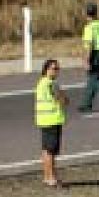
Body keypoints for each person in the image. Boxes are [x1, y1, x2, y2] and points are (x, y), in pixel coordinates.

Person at [34, 58, 69, 189]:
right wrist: (65, 98)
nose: (57, 71)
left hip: (44, 120)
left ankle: (47, 176)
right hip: (52, 120)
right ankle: (51, 178)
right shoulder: (51, 84)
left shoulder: (41, 83)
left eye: (58, 69)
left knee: (46, 151)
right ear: (47, 69)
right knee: (51, 152)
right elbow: (63, 100)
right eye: (54, 69)